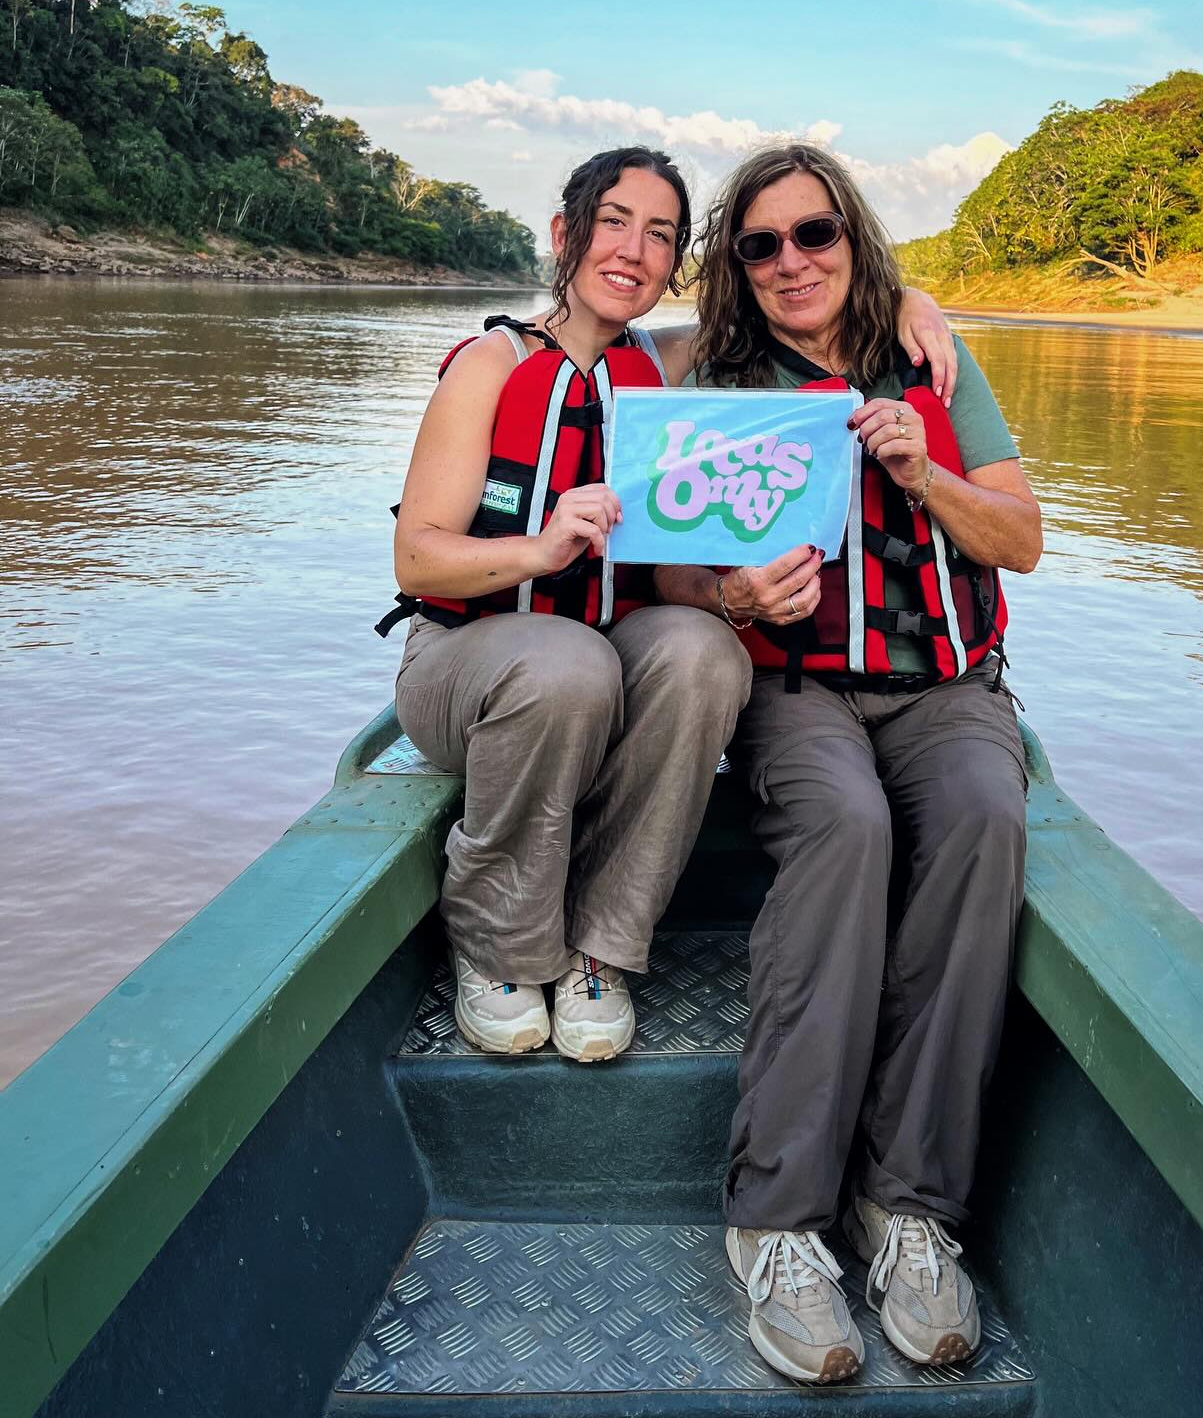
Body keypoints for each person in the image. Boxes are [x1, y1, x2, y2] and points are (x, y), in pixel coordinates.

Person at [383, 143, 960, 1067]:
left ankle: (602, 950)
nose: (633, 251)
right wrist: (540, 548)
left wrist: (905, 299)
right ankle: (497, 941)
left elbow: (796, 302)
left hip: (599, 676)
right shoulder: (490, 365)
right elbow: (418, 556)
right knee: (568, 662)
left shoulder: (666, 361)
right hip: (467, 672)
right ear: (565, 233)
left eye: (660, 235)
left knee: (705, 649)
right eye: (613, 223)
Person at [655, 143, 1043, 1385]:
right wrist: (728, 593)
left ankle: (907, 1205)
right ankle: (775, 1219)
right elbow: (658, 553)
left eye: (813, 234)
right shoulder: (709, 380)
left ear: (852, 237)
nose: (791, 262)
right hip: (799, 690)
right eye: (759, 245)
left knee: (985, 816)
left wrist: (924, 476)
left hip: (944, 688)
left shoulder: (937, 362)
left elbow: (1021, 539)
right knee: (847, 828)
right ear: (736, 266)